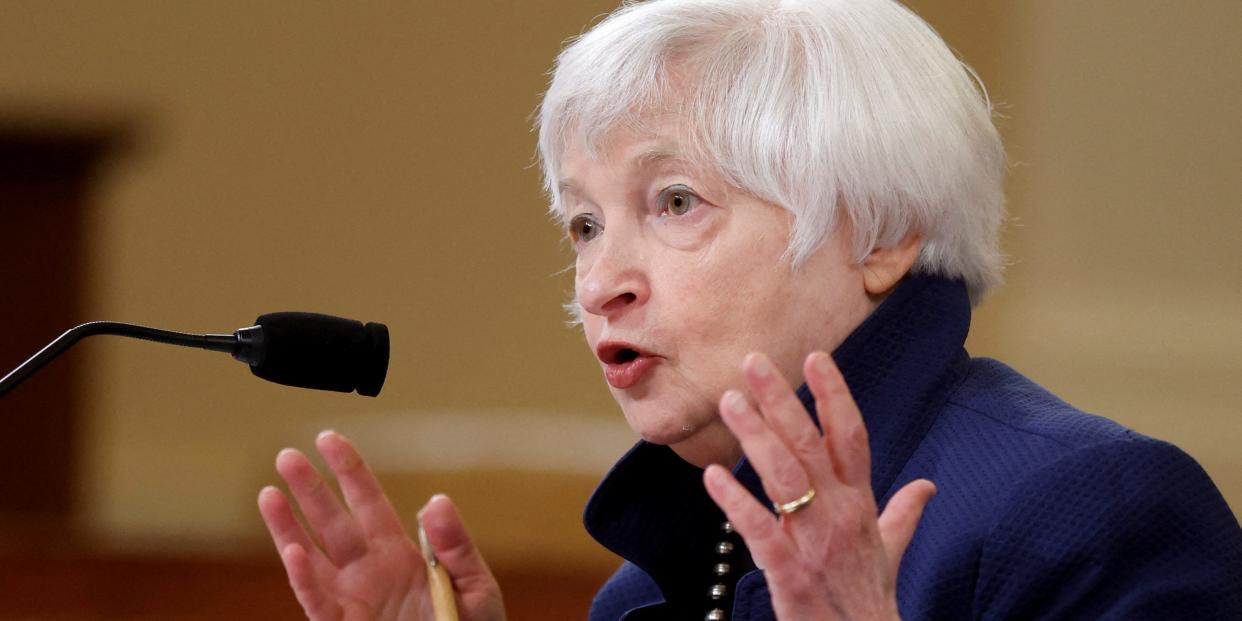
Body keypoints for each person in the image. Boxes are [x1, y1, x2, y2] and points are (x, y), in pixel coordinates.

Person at [257, 0, 1242, 619]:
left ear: (881, 233)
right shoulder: (652, 585)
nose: (602, 283)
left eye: (674, 202)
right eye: (584, 224)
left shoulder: (1090, 510)